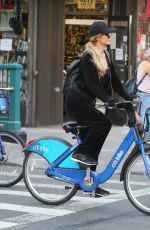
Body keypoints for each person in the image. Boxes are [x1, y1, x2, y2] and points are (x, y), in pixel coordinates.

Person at [65, 21, 131, 196]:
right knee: (104, 123)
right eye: (107, 34)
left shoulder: (106, 55)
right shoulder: (89, 56)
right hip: (76, 102)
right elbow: (92, 84)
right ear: (98, 37)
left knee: (93, 146)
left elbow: (115, 81)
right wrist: (108, 99)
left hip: (87, 103)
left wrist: (130, 97)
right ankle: (80, 152)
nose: (110, 36)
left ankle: (89, 183)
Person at [136, 48, 150, 138]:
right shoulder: (145, 64)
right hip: (145, 96)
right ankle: (146, 141)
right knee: (146, 120)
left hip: (147, 96)